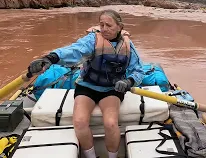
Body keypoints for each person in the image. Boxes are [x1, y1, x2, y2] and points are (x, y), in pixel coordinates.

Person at [28, 9, 145, 158]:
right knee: (80, 121)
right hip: (87, 86)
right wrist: (51, 58)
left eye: (109, 25)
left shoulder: (129, 45)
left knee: (110, 123)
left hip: (112, 89)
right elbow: (74, 50)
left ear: (119, 27)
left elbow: (138, 70)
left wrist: (128, 81)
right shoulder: (92, 40)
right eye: (101, 25)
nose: (104, 29)